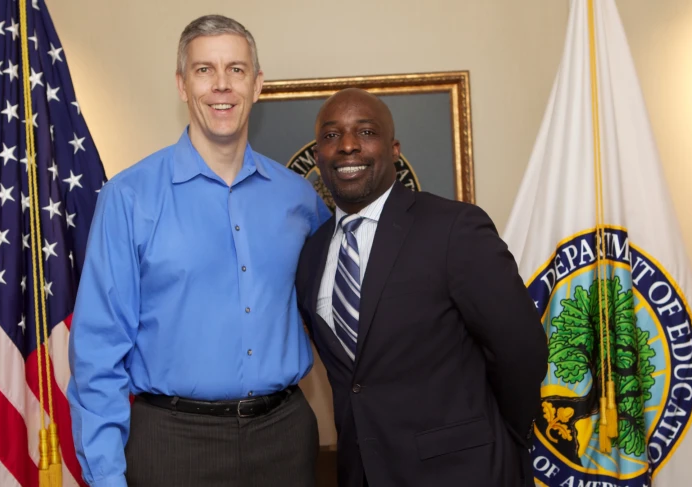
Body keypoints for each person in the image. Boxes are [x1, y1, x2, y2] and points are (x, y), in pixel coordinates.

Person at [67, 14, 331, 487]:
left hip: (285, 439)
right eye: (204, 70)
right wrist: (105, 476)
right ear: (182, 85)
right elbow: (97, 352)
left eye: (236, 69)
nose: (222, 85)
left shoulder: (300, 199)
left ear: (257, 83)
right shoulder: (128, 198)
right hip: (172, 443)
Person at [295, 88, 549, 487]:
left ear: (394, 148)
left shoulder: (454, 228)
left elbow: (521, 350)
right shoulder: (311, 254)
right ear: (318, 155)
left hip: (464, 472)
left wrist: (500, 435)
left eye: (365, 132)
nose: (347, 146)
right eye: (331, 136)